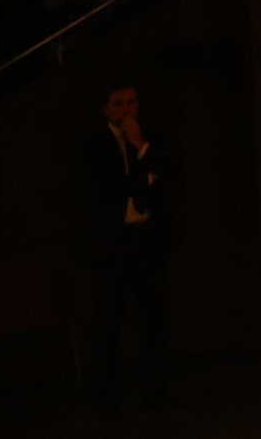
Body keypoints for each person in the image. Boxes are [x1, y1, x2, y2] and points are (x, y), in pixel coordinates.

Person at [81, 80, 173, 408]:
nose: (126, 110)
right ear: (106, 109)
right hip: (113, 244)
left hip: (146, 241)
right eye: (119, 104)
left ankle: (156, 393)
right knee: (109, 322)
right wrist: (143, 177)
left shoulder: (152, 139)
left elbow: (166, 177)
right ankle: (109, 397)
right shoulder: (93, 146)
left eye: (131, 102)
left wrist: (140, 147)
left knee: (153, 319)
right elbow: (103, 190)